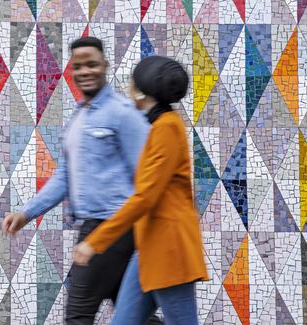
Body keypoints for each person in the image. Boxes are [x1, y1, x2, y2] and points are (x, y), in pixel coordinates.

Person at [1, 36, 159, 324]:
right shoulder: (79, 117)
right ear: (72, 71)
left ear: (105, 66)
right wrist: (27, 212)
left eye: (92, 64)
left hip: (113, 227)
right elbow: (65, 175)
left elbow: (149, 176)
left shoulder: (123, 114)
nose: (85, 71)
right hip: (99, 227)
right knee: (132, 313)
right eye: (78, 66)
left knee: (78, 313)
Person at [72, 55, 208, 325]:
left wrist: (95, 241)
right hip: (149, 247)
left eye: (133, 81)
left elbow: (146, 196)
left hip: (168, 249)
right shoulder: (156, 125)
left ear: (143, 89)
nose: (128, 86)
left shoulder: (167, 128)